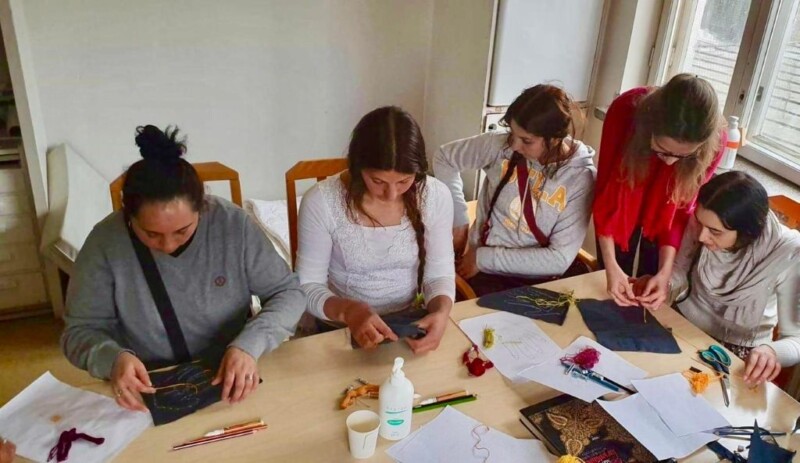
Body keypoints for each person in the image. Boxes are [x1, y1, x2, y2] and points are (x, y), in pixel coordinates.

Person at [62, 125, 305, 411]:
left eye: (182, 231)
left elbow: (288, 293)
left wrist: (249, 344)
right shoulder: (105, 242)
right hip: (150, 380)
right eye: (151, 234)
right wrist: (113, 359)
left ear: (202, 208)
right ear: (128, 216)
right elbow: (79, 331)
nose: (167, 245)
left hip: (234, 372)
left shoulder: (231, 225)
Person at [296, 106, 455, 353]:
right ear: (357, 167)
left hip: (409, 323)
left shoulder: (434, 195)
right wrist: (350, 311)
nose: (391, 194)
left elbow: (439, 274)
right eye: (378, 181)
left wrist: (442, 311)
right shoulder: (321, 201)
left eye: (404, 181)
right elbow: (307, 286)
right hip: (339, 328)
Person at [634, 172, 800, 387]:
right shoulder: (704, 222)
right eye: (700, 223)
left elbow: (795, 339)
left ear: (747, 232)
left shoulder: (789, 253)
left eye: (714, 231)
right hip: (682, 324)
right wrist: (662, 285)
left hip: (738, 355)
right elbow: (680, 274)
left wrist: (771, 351)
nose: (702, 237)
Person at [433, 84, 596, 295]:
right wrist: (458, 217)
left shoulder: (580, 178)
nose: (515, 146)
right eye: (512, 133)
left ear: (555, 138)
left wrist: (484, 258)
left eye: (527, 141)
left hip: (537, 279)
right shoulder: (501, 146)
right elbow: (444, 158)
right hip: (482, 272)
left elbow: (559, 259)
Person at [593, 73, 726, 310]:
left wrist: (666, 273)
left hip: (662, 220)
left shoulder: (715, 142)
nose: (670, 163)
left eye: (684, 156)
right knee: (610, 285)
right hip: (621, 207)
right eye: (663, 150)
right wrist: (610, 265)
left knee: (650, 285)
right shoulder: (626, 111)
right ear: (649, 128)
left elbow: (680, 213)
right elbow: (606, 195)